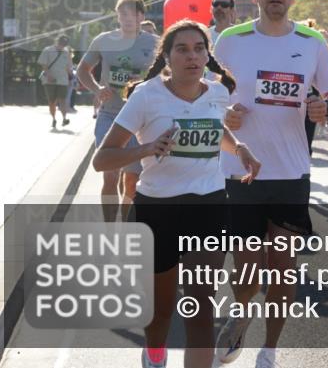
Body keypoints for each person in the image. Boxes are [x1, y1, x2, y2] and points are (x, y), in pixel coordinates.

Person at [92, 20, 260, 368]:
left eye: (199, 48)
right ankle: (154, 356)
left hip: (208, 206)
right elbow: (102, 159)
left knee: (200, 307)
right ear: (166, 57)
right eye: (182, 49)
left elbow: (216, 126)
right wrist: (147, 148)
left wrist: (239, 147)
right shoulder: (146, 96)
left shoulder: (217, 93)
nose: (192, 56)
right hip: (157, 210)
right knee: (162, 310)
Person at [213, 0, 328, 368]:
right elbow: (208, 95)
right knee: (247, 270)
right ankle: (242, 309)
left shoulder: (312, 40)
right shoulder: (230, 40)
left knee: (284, 269)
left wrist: (324, 106)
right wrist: (224, 114)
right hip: (240, 170)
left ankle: (269, 350)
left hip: (290, 171)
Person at [77, 0, 159, 223]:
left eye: (132, 13)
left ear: (141, 16)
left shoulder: (154, 43)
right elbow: (83, 70)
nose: (127, 18)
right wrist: (96, 88)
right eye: (123, 14)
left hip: (141, 119)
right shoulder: (104, 40)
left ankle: (129, 227)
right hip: (111, 114)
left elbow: (168, 75)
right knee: (110, 174)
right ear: (117, 16)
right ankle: (110, 227)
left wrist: (144, 80)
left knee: (132, 180)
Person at [37, 34, 73, 129]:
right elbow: (43, 64)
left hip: (62, 80)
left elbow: (69, 67)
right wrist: (48, 75)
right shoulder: (48, 50)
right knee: (51, 101)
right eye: (61, 43)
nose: (62, 45)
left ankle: (64, 118)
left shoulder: (67, 53)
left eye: (64, 44)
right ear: (57, 41)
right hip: (49, 80)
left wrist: (70, 78)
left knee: (62, 100)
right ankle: (53, 119)